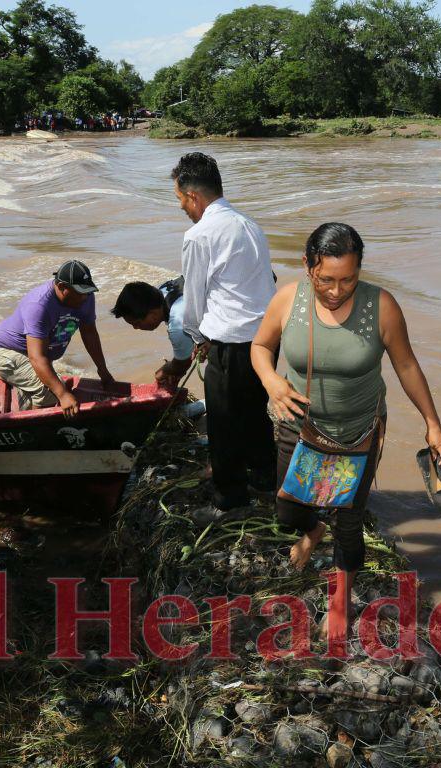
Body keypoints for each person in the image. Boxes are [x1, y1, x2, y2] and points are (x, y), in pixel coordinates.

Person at [250, 222, 441, 645]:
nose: (337, 291)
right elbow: (260, 346)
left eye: (348, 279)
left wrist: (432, 423)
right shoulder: (288, 299)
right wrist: (271, 380)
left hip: (359, 433)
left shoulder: (382, 307)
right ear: (308, 266)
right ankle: (311, 531)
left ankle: (340, 599)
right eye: (326, 280)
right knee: (287, 509)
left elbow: (406, 365)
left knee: (349, 518)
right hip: (298, 424)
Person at [172, 152, 277, 510]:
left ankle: (229, 500)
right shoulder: (249, 224)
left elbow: (194, 296)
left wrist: (197, 337)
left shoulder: (199, 235)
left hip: (231, 342)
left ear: (193, 196)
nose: (182, 207)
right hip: (266, 339)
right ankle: (264, 478)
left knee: (223, 424)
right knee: (256, 412)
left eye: (180, 199)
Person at [0, 260, 115, 416]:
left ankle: (27, 419)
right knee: (50, 391)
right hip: (7, 351)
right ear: (62, 287)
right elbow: (36, 357)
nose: (84, 297)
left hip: (37, 354)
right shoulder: (39, 305)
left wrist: (102, 370)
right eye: (80, 292)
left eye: (87, 291)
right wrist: (63, 394)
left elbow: (89, 333)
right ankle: (35, 428)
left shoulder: (86, 297)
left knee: (45, 391)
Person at [111, 277, 193, 387]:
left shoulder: (177, 324)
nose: (135, 328)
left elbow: (183, 363)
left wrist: (165, 370)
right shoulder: (161, 292)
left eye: (137, 323)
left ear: (153, 314)